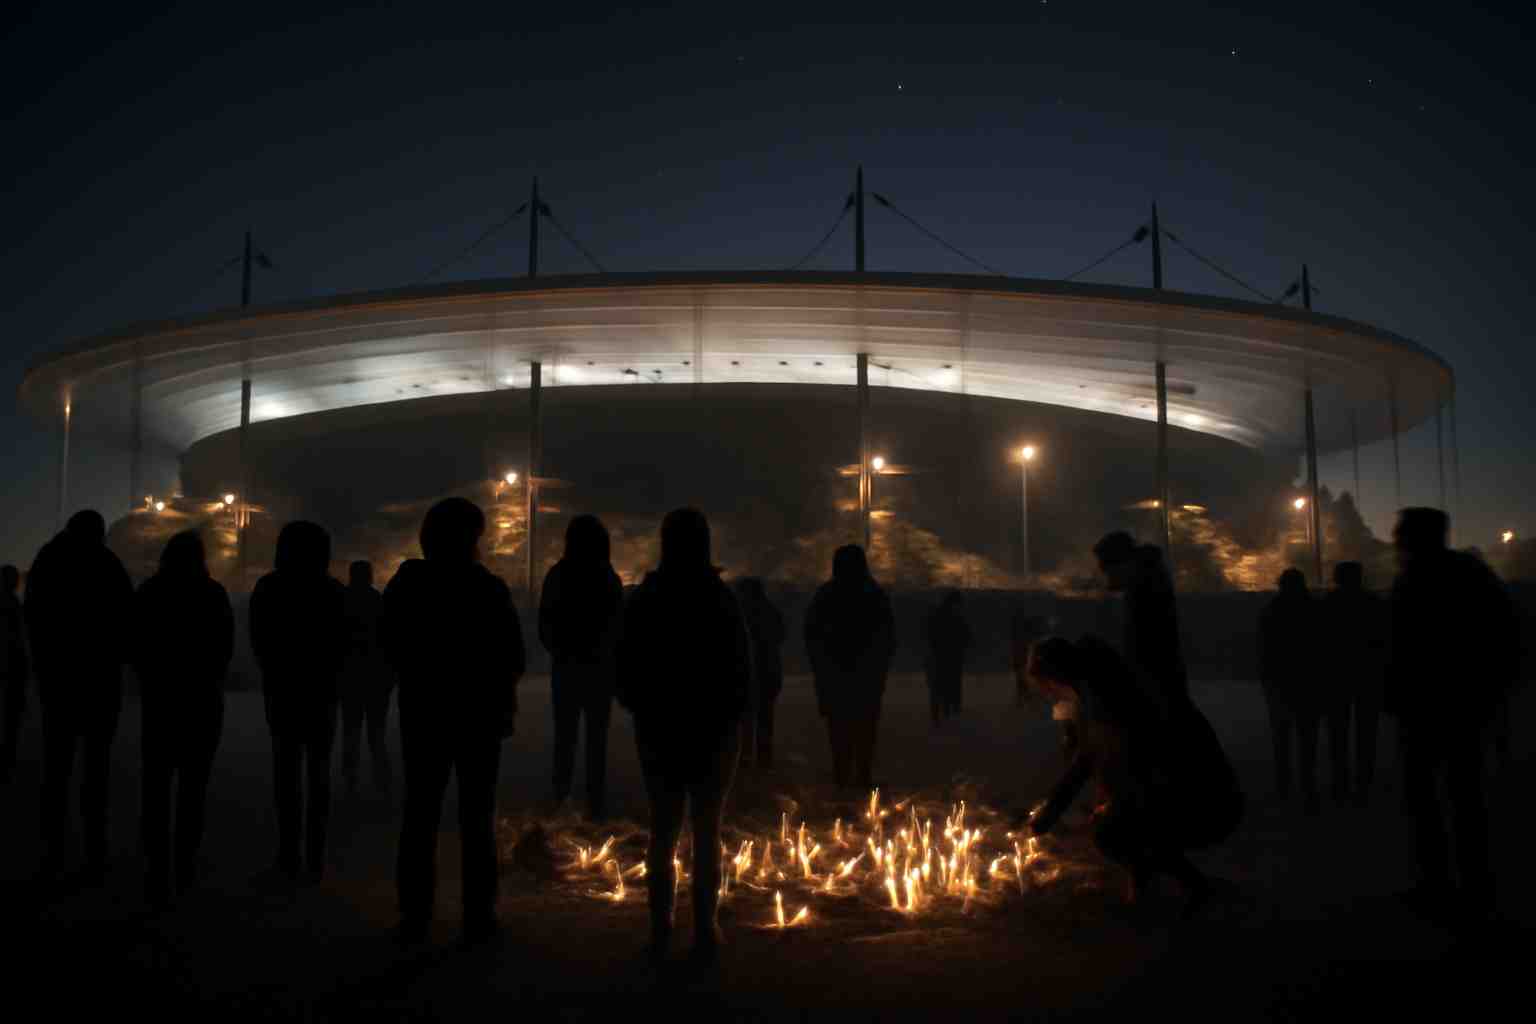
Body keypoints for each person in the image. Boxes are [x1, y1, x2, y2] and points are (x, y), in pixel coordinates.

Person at [383, 497, 524, 946]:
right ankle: (479, 916)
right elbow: (513, 657)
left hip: (423, 713)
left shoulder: (407, 587)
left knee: (420, 814)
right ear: (472, 540)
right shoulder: (489, 591)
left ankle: (415, 915)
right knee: (477, 818)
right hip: (479, 718)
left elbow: (389, 646)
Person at [616, 508, 750, 968]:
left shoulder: (647, 598)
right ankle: (705, 927)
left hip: (659, 728)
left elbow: (626, 664)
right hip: (712, 730)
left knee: (664, 827)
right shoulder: (719, 599)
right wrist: (734, 717)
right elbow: (740, 668)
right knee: (706, 827)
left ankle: (660, 925)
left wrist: (640, 705)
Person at [1026, 635, 1242, 918]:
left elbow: (1116, 762)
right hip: (1191, 794)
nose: (1053, 696)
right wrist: (1053, 811)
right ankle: (1156, 882)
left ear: (1059, 674)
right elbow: (1093, 760)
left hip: (1205, 801)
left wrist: (1074, 809)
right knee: (1120, 819)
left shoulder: (1110, 698)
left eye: (1050, 687)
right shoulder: (1105, 688)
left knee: (1112, 829)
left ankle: (1187, 887)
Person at [1387, 507, 1517, 924]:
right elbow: (1505, 633)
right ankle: (1473, 887)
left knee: (1428, 800)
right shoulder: (1472, 576)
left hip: (1427, 707)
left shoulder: (1412, 582)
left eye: (1400, 535)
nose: (1395, 542)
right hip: (1462, 705)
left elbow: (1399, 646)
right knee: (1464, 797)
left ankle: (1439, 884)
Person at [24, 509, 134, 878]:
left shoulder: (48, 560)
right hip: (100, 682)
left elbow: (36, 618)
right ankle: (94, 850)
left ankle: (51, 849)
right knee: (96, 770)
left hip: (59, 680)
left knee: (57, 767)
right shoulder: (108, 564)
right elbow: (125, 619)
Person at [132, 530, 234, 908]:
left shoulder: (150, 593)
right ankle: (186, 861)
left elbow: (135, 644)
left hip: (160, 702)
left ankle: (156, 864)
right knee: (194, 786)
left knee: (156, 785)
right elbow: (224, 647)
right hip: (201, 703)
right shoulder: (212, 594)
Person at [249, 521, 347, 883]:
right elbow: (344, 642)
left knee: (286, 775)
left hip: (283, 692)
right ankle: (315, 857)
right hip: (322, 694)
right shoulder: (332, 591)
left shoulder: (269, 588)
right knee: (319, 776)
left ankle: (288, 854)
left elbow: (259, 640)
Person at [539, 514, 623, 821]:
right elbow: (618, 624)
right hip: (599, 670)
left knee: (565, 736)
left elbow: (545, 624)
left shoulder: (558, 575)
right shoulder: (607, 577)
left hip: (567, 669)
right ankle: (595, 800)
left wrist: (562, 650)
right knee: (596, 739)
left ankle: (561, 794)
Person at [804, 544, 895, 789]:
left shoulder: (826, 595)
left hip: (836, 678)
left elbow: (811, 636)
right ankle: (861, 777)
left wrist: (822, 669)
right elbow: (887, 639)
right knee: (865, 733)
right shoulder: (874, 595)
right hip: (865, 679)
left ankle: (842, 777)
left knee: (839, 734)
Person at [1258, 568, 1346, 812]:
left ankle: (1284, 788)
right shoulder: (1315, 610)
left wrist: (1268, 684)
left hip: (1281, 686)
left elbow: (1265, 653)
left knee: (1282, 740)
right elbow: (1325, 650)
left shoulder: (1271, 612)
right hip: (1309, 687)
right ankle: (1308, 788)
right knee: (1307, 740)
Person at [1092, 532, 1188, 707]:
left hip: (1155, 686)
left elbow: (1142, 644)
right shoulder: (1149, 578)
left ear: (1120, 563)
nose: (1106, 577)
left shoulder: (1144, 589)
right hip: (1161, 681)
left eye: (1107, 570)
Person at [1323, 561, 1388, 808]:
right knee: (1366, 733)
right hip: (1366, 677)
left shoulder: (1329, 604)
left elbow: (1322, 643)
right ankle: (1364, 782)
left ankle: (1340, 783)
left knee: (1338, 733)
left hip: (1338, 678)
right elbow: (1383, 640)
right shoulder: (1372, 603)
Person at [340, 560, 393, 797]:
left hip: (351, 677)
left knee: (351, 732)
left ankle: (350, 781)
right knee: (376, 734)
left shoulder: (343, 600)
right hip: (375, 679)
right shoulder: (377, 600)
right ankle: (382, 782)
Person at [734, 578, 785, 769]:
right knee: (765, 718)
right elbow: (780, 637)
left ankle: (744, 758)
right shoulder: (771, 612)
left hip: (745, 674)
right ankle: (764, 757)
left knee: (745, 719)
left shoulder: (738, 613)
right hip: (768, 673)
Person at [0, 564, 30, 784]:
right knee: (10, 718)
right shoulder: (11, 605)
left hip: (11, 669)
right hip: (11, 670)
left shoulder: (12, 604)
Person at [924, 590, 971, 726]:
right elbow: (966, 636)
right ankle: (946, 715)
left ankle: (939, 716)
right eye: (958, 603)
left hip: (940, 656)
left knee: (938, 687)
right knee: (949, 686)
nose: (960, 607)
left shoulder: (937, 614)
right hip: (948, 657)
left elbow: (928, 634)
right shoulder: (955, 617)